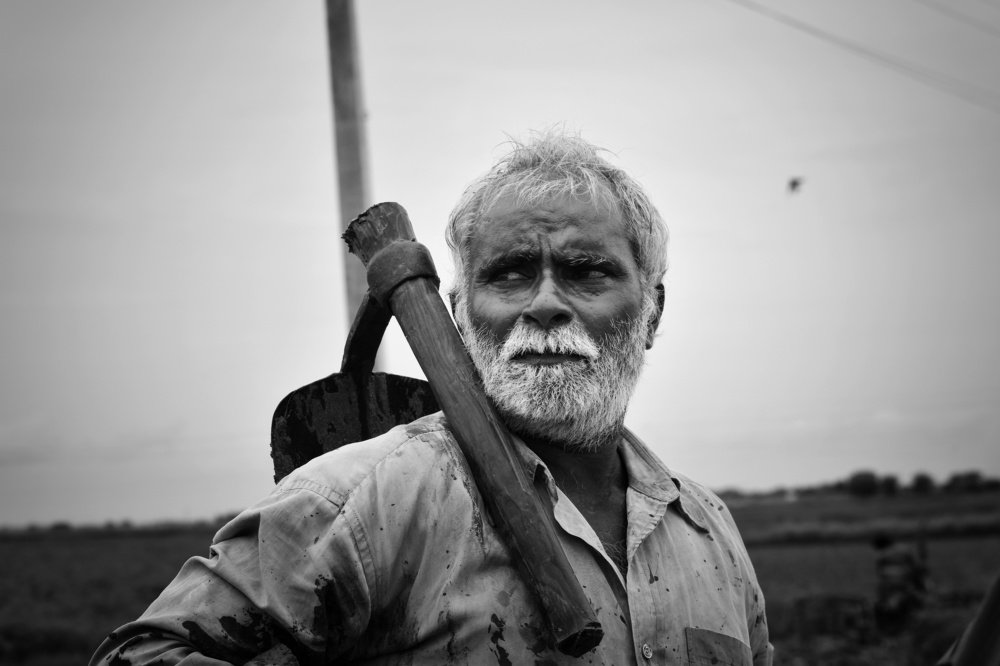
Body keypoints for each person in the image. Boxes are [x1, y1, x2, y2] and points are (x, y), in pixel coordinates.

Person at [92, 130, 773, 665]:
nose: (544, 304)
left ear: (652, 312)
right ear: (460, 315)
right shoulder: (366, 501)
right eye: (507, 275)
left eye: (586, 272)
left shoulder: (709, 532)